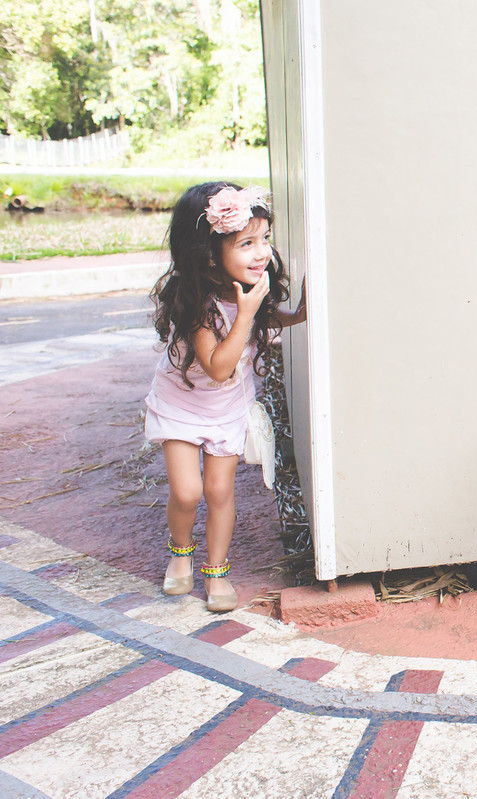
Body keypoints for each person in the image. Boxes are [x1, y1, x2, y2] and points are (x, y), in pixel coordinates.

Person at [146, 182, 306, 612]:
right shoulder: (194, 301)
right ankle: (181, 555)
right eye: (247, 243)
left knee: (219, 491)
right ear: (209, 254)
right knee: (187, 492)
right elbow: (218, 367)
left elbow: (266, 320)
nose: (262, 254)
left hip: (226, 409)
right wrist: (248, 313)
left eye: (265, 240)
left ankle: (217, 571)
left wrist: (298, 313)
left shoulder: (253, 289)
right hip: (182, 404)